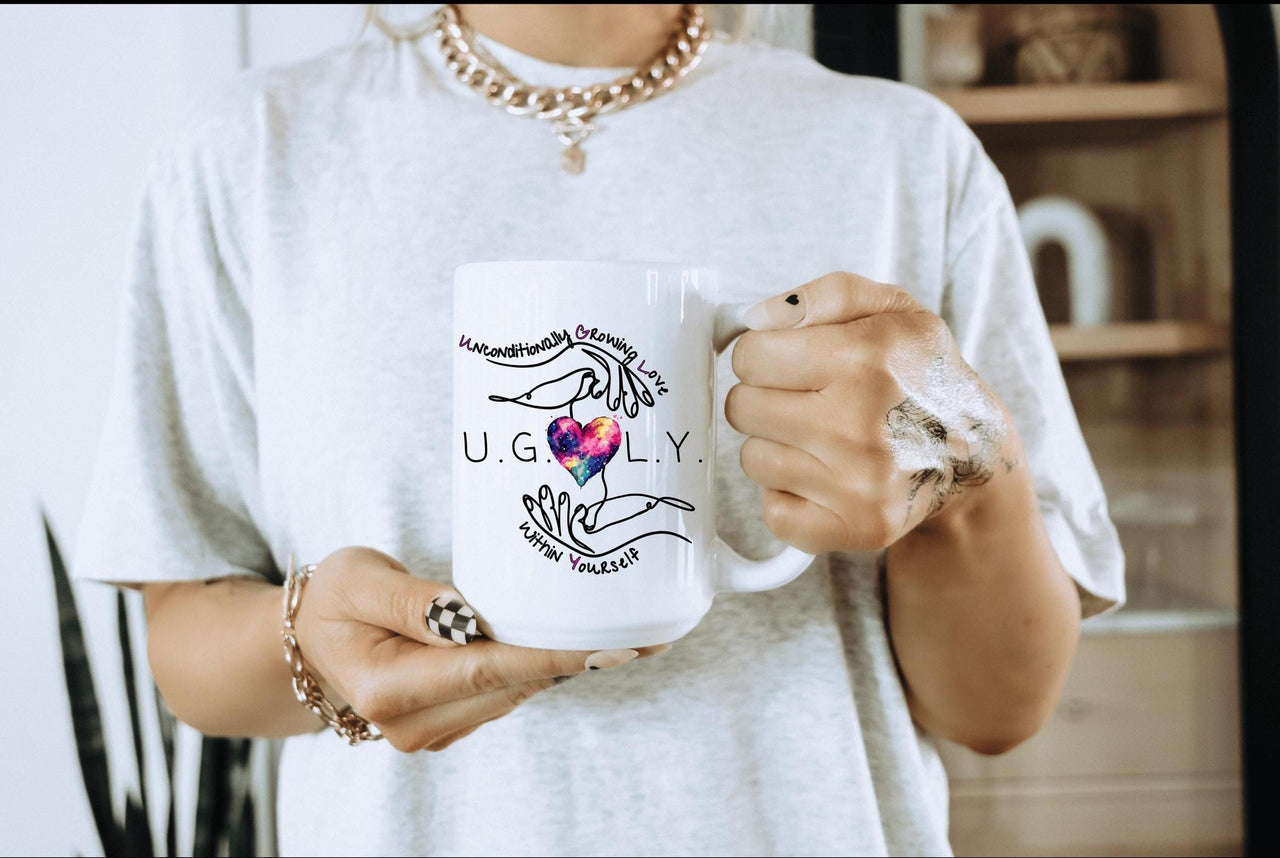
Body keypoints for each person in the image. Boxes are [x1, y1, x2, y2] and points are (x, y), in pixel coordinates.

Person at [73, 4, 1124, 855]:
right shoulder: (246, 156)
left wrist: (956, 485)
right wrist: (309, 642)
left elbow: (996, 710)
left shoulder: (902, 152)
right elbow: (187, 652)